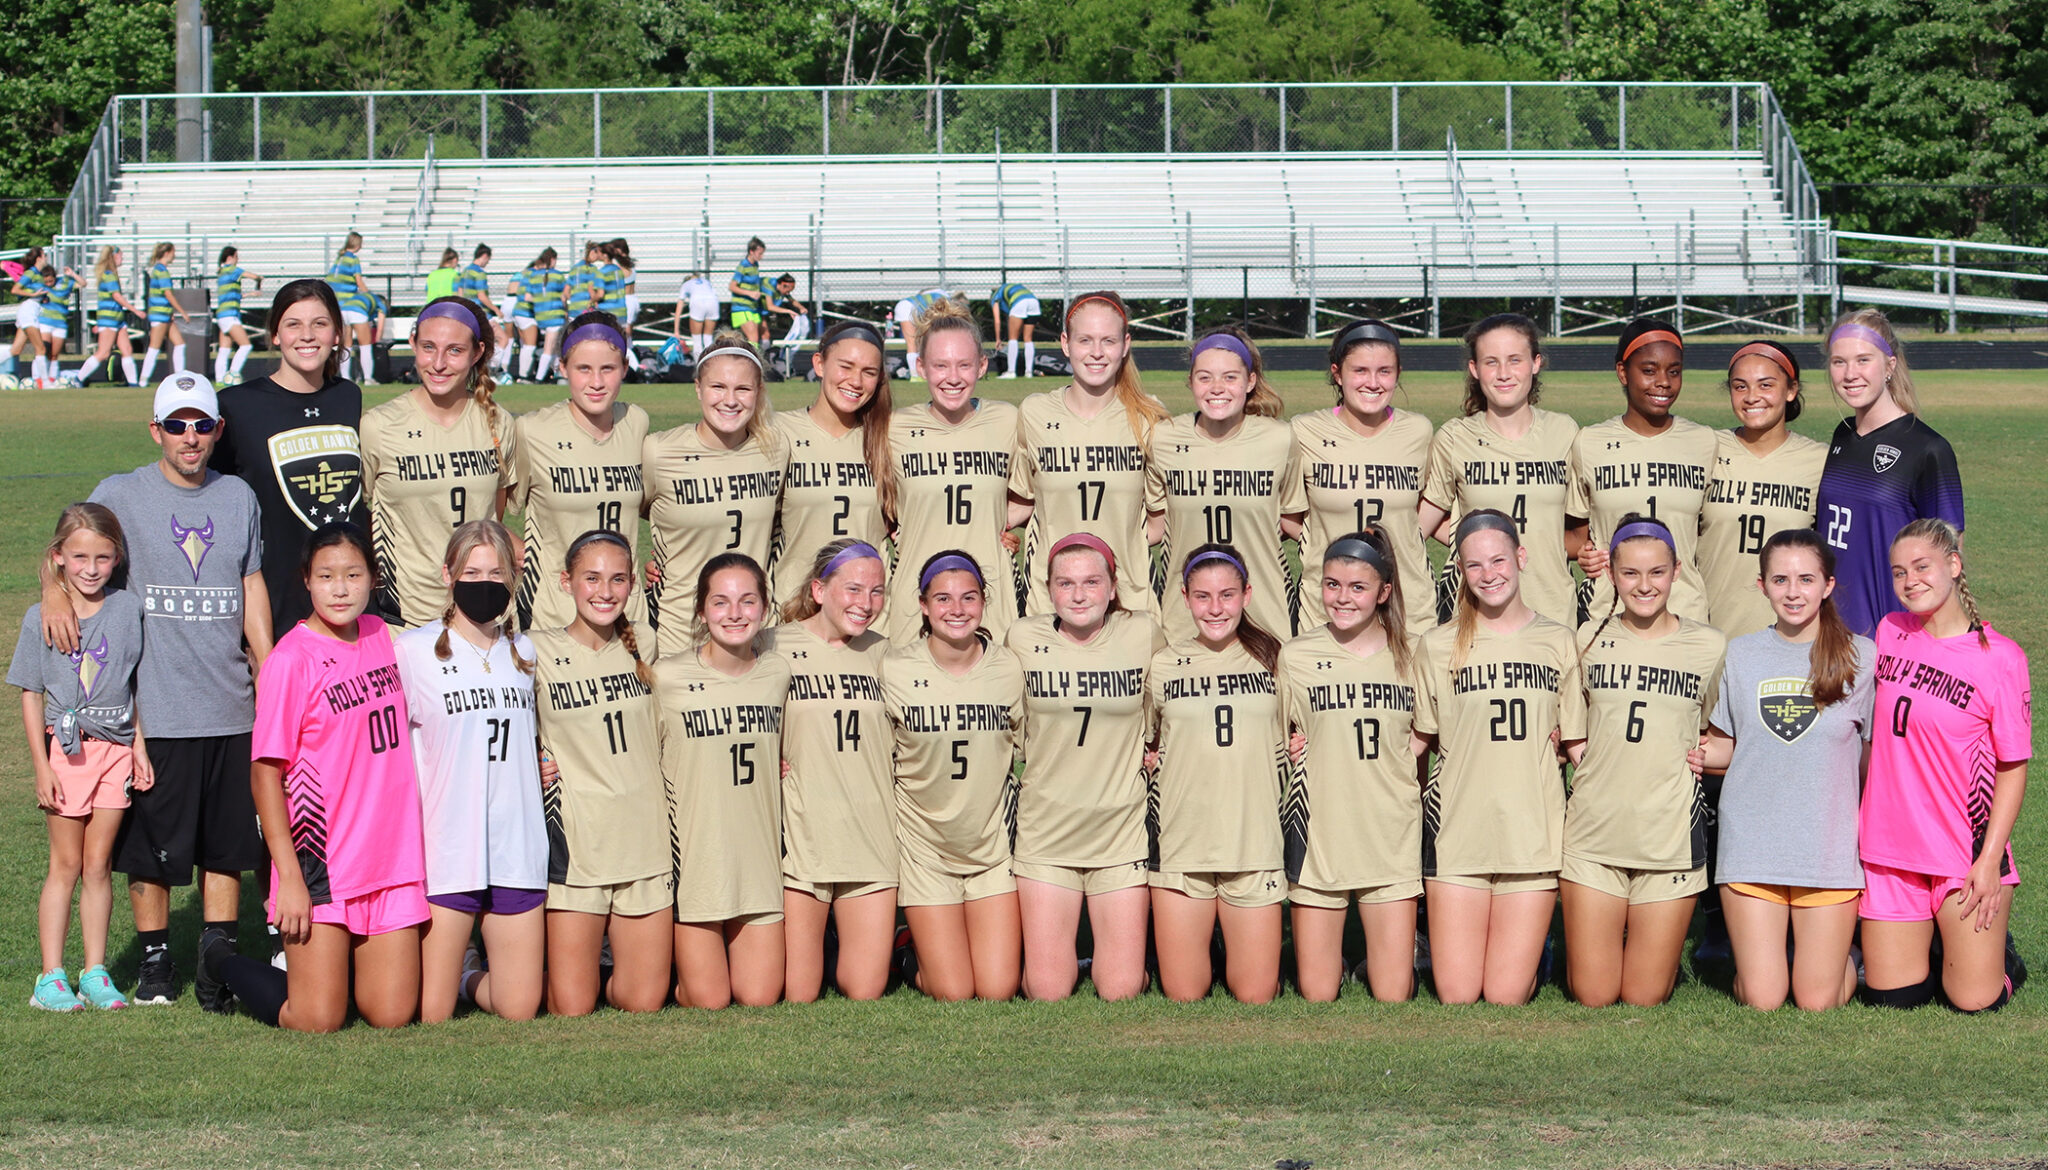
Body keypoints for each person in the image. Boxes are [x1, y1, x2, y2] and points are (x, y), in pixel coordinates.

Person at [36, 373, 272, 1008]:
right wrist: (53, 594)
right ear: (156, 430)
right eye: (176, 424)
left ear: (217, 431)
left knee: (227, 848)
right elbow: (76, 547)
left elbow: (250, 585)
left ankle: (215, 961)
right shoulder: (121, 493)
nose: (190, 437)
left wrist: (267, 661)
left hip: (230, 703)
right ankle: (156, 963)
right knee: (153, 852)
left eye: (201, 425)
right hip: (156, 708)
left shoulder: (238, 496)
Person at [200, 522, 427, 1032]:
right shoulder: (290, 660)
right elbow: (265, 775)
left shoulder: (384, 637)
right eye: (326, 576)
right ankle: (221, 960)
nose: (341, 588)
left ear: (373, 578)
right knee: (317, 1018)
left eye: (353, 574)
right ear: (306, 579)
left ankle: (333, 968)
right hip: (321, 860)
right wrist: (290, 880)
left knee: (391, 1014)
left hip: (389, 855)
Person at [1415, 509, 1586, 1005]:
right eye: (1474, 566)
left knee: (1505, 996)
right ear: (1460, 571)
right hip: (1459, 836)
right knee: (1458, 994)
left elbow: (1577, 745)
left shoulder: (1559, 640)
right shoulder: (1438, 645)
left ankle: (1539, 953)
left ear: (1521, 557)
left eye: (1498, 560)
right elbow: (1417, 743)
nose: (1489, 575)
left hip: (1530, 835)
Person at [1859, 518, 2029, 1013]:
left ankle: (2003, 958)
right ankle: (1938, 945)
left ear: (1954, 565)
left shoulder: (2000, 657)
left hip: (1963, 853)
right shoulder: (1889, 633)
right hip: (1889, 852)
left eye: (1921, 567)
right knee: (1895, 998)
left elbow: (2012, 768)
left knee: (1972, 999)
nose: (1909, 580)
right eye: (1898, 572)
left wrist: (1988, 860)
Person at [1700, 529, 1873, 1010]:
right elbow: (1725, 745)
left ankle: (1845, 955)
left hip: (1827, 848)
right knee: (1763, 998)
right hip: (1753, 843)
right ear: (1762, 586)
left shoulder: (1863, 657)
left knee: (1817, 1001)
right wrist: (1679, 752)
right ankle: (1777, 961)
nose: (1793, 592)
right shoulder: (1741, 653)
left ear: (1828, 586)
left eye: (1805, 579)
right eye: (1780, 579)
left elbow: (1871, 756)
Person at [1560, 515, 1726, 1008]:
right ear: (1610, 573)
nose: (1644, 585)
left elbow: (1717, 729)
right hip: (1595, 833)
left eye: (1656, 572)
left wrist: (1706, 754)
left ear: (1676, 572)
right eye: (1630, 573)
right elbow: (1571, 730)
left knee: (1643, 997)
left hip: (1668, 836)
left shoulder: (1709, 645)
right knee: (1593, 994)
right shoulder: (1587, 639)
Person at [394, 520, 545, 1024]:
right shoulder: (412, 652)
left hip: (515, 844)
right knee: (432, 1015)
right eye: (472, 571)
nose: (484, 583)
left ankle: (467, 975)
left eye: (496, 572)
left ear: (513, 579)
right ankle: (456, 968)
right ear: (447, 575)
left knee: (519, 1008)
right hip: (449, 847)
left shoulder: (525, 652)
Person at [1005, 533, 1163, 1001]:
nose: (1078, 595)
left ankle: (1130, 960)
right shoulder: (1023, 638)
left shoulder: (1143, 632)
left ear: (1114, 587)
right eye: (1066, 583)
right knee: (1048, 991)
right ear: (1049, 589)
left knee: (1121, 990)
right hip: (1047, 828)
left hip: (1119, 828)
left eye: (1092, 582)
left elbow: (1174, 696)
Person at [1279, 529, 1427, 1002]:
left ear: (1383, 593)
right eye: (1332, 585)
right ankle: (1337, 963)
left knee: (1393, 994)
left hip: (1390, 832)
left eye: (1357, 587)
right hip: (1322, 833)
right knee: (1317, 993)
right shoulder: (1296, 656)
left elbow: (1441, 728)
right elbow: (1278, 735)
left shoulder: (1414, 654)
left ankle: (1387, 959)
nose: (1342, 598)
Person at [11, 503, 147, 1011]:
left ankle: (94, 972)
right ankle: (50, 979)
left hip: (116, 752)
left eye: (103, 557)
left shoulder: (127, 608)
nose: (91, 568)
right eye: (80, 556)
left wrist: (138, 747)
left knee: (97, 865)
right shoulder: (40, 616)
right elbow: (29, 692)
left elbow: (136, 683)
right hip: (66, 752)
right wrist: (41, 765)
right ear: (59, 558)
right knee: (65, 865)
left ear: (117, 559)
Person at [531, 531, 672, 1016]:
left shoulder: (647, 644)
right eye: (591, 578)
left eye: (617, 579)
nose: (604, 591)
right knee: (571, 1007)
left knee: (643, 1001)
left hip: (644, 843)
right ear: (566, 582)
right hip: (579, 848)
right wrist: (535, 759)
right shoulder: (535, 651)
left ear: (633, 583)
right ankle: (483, 972)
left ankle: (608, 969)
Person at [1147, 544, 1288, 1004]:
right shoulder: (1164, 664)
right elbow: (1146, 739)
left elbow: (1303, 726)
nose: (1215, 608)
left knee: (1255, 994)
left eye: (1227, 595)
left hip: (1253, 843)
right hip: (1184, 843)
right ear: (1185, 598)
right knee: (1185, 994)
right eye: (1203, 596)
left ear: (1247, 594)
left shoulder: (1275, 660)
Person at [884, 552, 1026, 1001]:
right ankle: (905, 949)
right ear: (923, 605)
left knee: (998, 988)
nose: (957, 609)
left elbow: (1040, 744)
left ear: (985, 602)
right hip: (925, 848)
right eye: (942, 598)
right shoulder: (894, 668)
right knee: (953, 991)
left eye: (969, 597)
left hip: (991, 848)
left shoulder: (1009, 667)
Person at [769, 539, 896, 1002]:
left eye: (877, 592)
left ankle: (909, 952)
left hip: (870, 835)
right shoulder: (772, 645)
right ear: (820, 590)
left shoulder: (889, 656)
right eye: (854, 589)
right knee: (797, 993)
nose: (866, 604)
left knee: (863, 989)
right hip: (801, 838)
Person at [663, 553, 792, 1009]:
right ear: (701, 611)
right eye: (720, 602)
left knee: (758, 998)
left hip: (757, 863)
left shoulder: (778, 673)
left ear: (765, 607)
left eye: (747, 601)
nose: (734, 614)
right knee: (710, 1000)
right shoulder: (667, 678)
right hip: (697, 863)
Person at [208, 279, 371, 632]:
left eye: (320, 323)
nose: (307, 335)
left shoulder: (348, 397)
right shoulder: (237, 406)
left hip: (347, 597)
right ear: (276, 335)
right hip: (275, 600)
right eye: (293, 324)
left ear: (337, 334)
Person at [1009, 291, 1169, 619]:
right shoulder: (1035, 412)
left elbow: (1161, 519)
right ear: (1066, 343)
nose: (1097, 353)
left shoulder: (1149, 417)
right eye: (1085, 340)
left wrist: (1127, 547)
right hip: (1048, 600)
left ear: (1125, 345)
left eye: (1108, 341)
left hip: (1130, 601)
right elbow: (1025, 500)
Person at [360, 296, 514, 628]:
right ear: (412, 343)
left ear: (477, 353)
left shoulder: (499, 424)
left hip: (487, 617)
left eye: (455, 350)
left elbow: (494, 518)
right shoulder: (379, 426)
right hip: (406, 621)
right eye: (428, 347)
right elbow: (362, 515)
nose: (439, 363)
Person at [1145, 327, 1304, 641]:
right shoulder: (1164, 437)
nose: (1217, 388)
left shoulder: (1279, 438)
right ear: (1190, 382)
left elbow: (1290, 521)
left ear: (1251, 381)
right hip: (1184, 615)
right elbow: (1156, 526)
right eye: (1205, 378)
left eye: (1230, 377)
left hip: (1264, 612)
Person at [1421, 314, 1579, 627]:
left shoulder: (1565, 432)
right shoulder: (1455, 437)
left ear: (1536, 363)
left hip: (1552, 609)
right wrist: (1467, 540)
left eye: (1515, 360)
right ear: (1474, 369)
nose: (1504, 373)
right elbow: (1423, 521)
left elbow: (1580, 531)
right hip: (1476, 611)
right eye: (1491, 362)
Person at [1813, 311, 1964, 637]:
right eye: (1839, 362)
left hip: (1894, 634)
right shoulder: (1842, 435)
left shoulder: (1928, 448)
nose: (1850, 374)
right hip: (1831, 632)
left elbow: (1950, 561)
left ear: (1890, 366)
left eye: (1863, 360)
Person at [884, 296, 1022, 642]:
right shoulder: (894, 428)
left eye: (964, 365)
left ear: (982, 366)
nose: (953, 378)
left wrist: (1000, 522)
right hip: (915, 599)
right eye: (940, 365)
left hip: (990, 597)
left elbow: (1034, 492)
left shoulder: (1007, 419)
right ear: (921, 367)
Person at [641, 334, 784, 658]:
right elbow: (636, 511)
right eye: (718, 387)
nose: (730, 400)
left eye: (743, 389)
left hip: (757, 634)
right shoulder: (659, 451)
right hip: (680, 637)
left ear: (759, 391)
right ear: (698, 388)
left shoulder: (776, 449)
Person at [1568, 319, 1719, 624]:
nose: (1663, 381)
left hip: (1685, 615)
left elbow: (1711, 530)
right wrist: (1583, 552)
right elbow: (1574, 535)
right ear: (1623, 372)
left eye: (1674, 371)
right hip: (1608, 615)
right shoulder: (1589, 442)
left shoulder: (1704, 441)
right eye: (1649, 371)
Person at [1291, 320, 1435, 638]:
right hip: (1327, 608)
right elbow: (1284, 509)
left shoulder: (1418, 431)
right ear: (1337, 373)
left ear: (1398, 375)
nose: (1373, 382)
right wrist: (1317, 539)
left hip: (1407, 609)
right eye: (1360, 371)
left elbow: (1428, 508)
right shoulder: (1303, 432)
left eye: (1384, 371)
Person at [511, 310, 649, 632]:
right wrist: (523, 555)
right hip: (555, 617)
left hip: (630, 613)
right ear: (562, 368)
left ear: (625, 368)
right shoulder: (532, 430)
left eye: (608, 369)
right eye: (583, 369)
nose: (596, 382)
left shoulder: (636, 422)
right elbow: (491, 510)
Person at [1700, 341, 1826, 639]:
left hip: (1790, 639)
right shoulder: (1705, 448)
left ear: (1791, 390)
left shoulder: (1820, 461)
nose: (1752, 397)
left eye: (1766, 385)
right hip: (1709, 632)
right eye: (1740, 387)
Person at [772, 320, 896, 613]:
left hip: (869, 615)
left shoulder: (890, 437)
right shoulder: (778, 432)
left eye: (869, 372)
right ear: (819, 363)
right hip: (793, 611)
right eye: (846, 366)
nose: (855, 381)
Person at [75, 246, 140, 388]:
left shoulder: (112, 274)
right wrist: (135, 310)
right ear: (113, 257)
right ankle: (78, 379)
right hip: (109, 318)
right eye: (120, 255)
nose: (122, 258)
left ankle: (133, 384)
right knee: (103, 352)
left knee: (127, 350)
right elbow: (116, 296)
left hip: (117, 319)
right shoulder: (109, 275)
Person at [138, 242, 194, 387]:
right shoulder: (161, 270)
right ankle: (143, 380)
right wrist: (182, 312)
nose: (174, 255)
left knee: (180, 344)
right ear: (167, 252)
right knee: (154, 347)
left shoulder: (159, 269)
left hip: (165, 315)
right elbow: (168, 294)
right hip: (159, 315)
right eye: (173, 252)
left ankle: (180, 377)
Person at [325, 232, 376, 385]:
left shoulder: (339, 258)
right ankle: (368, 378)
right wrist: (369, 295)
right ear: (358, 244)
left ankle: (346, 378)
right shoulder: (353, 259)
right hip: (353, 306)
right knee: (365, 343)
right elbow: (359, 281)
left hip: (339, 308)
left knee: (345, 344)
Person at [512, 248, 567, 383]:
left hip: (540, 316)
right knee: (549, 348)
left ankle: (556, 374)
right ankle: (539, 378)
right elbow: (565, 296)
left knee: (552, 347)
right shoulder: (558, 276)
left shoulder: (534, 276)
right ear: (553, 260)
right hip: (554, 316)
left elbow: (527, 295)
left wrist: (541, 301)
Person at [211, 247, 262, 385]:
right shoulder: (234, 270)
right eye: (236, 256)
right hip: (230, 314)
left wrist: (250, 294)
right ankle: (233, 374)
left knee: (224, 349)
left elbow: (234, 294)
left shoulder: (221, 273)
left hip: (222, 314)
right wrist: (259, 282)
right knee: (245, 345)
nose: (238, 259)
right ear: (230, 257)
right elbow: (255, 276)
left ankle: (220, 379)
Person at [452, 245, 503, 372]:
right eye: (488, 260)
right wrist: (496, 310)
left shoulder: (463, 272)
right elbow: (482, 296)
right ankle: (492, 371)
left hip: (466, 312)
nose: (487, 263)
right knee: (503, 339)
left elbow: (459, 294)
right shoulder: (479, 273)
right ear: (485, 256)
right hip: (480, 313)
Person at [4, 244, 47, 379]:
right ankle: (43, 383)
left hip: (32, 310)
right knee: (40, 349)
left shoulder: (38, 274)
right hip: (29, 310)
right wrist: (34, 295)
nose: (46, 258)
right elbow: (15, 289)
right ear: (39, 258)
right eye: (44, 255)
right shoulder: (31, 272)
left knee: (15, 350)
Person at [34, 263, 79, 387]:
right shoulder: (39, 286)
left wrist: (73, 274)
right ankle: (37, 379)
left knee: (54, 354)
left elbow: (83, 284)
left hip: (60, 323)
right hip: (45, 321)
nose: (48, 284)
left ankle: (52, 380)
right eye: (46, 281)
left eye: (51, 281)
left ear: (55, 277)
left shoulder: (64, 283)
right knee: (43, 349)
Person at [892, 287, 951, 380]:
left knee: (912, 345)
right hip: (910, 308)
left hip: (902, 305)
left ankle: (915, 376)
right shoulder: (947, 300)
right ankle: (917, 375)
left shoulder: (926, 296)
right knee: (916, 344)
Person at [988, 281, 1039, 378]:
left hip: (1020, 302)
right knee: (1028, 339)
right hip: (1034, 302)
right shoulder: (1012, 287)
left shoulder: (996, 296)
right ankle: (1028, 372)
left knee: (1013, 339)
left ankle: (1011, 372)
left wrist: (998, 339)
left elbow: (997, 320)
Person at [672, 271, 721, 360]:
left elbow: (679, 308)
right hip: (713, 303)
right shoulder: (706, 281)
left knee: (697, 340)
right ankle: (711, 363)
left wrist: (676, 331)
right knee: (708, 338)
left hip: (698, 303)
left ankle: (698, 367)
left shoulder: (686, 284)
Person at [765, 272, 810, 367]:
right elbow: (770, 306)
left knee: (766, 336)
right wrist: (788, 311)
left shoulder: (781, 289)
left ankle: (768, 362)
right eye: (788, 290)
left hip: (760, 313)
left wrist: (801, 308)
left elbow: (791, 300)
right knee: (760, 337)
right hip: (751, 311)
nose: (788, 293)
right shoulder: (768, 286)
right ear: (782, 285)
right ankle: (764, 361)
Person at [729, 237, 767, 346]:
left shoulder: (755, 265)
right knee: (753, 339)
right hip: (742, 308)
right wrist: (750, 293)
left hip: (753, 308)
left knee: (762, 335)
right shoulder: (743, 266)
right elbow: (732, 287)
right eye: (759, 253)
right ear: (751, 251)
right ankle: (753, 361)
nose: (761, 256)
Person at [566, 241, 607, 321]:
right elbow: (592, 292)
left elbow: (566, 291)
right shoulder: (593, 269)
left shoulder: (574, 268)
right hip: (586, 310)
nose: (598, 258)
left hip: (573, 310)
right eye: (597, 255)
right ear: (592, 252)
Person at [606, 239, 638, 328]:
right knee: (627, 331)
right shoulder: (630, 264)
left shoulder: (621, 267)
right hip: (633, 299)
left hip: (626, 300)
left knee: (624, 331)